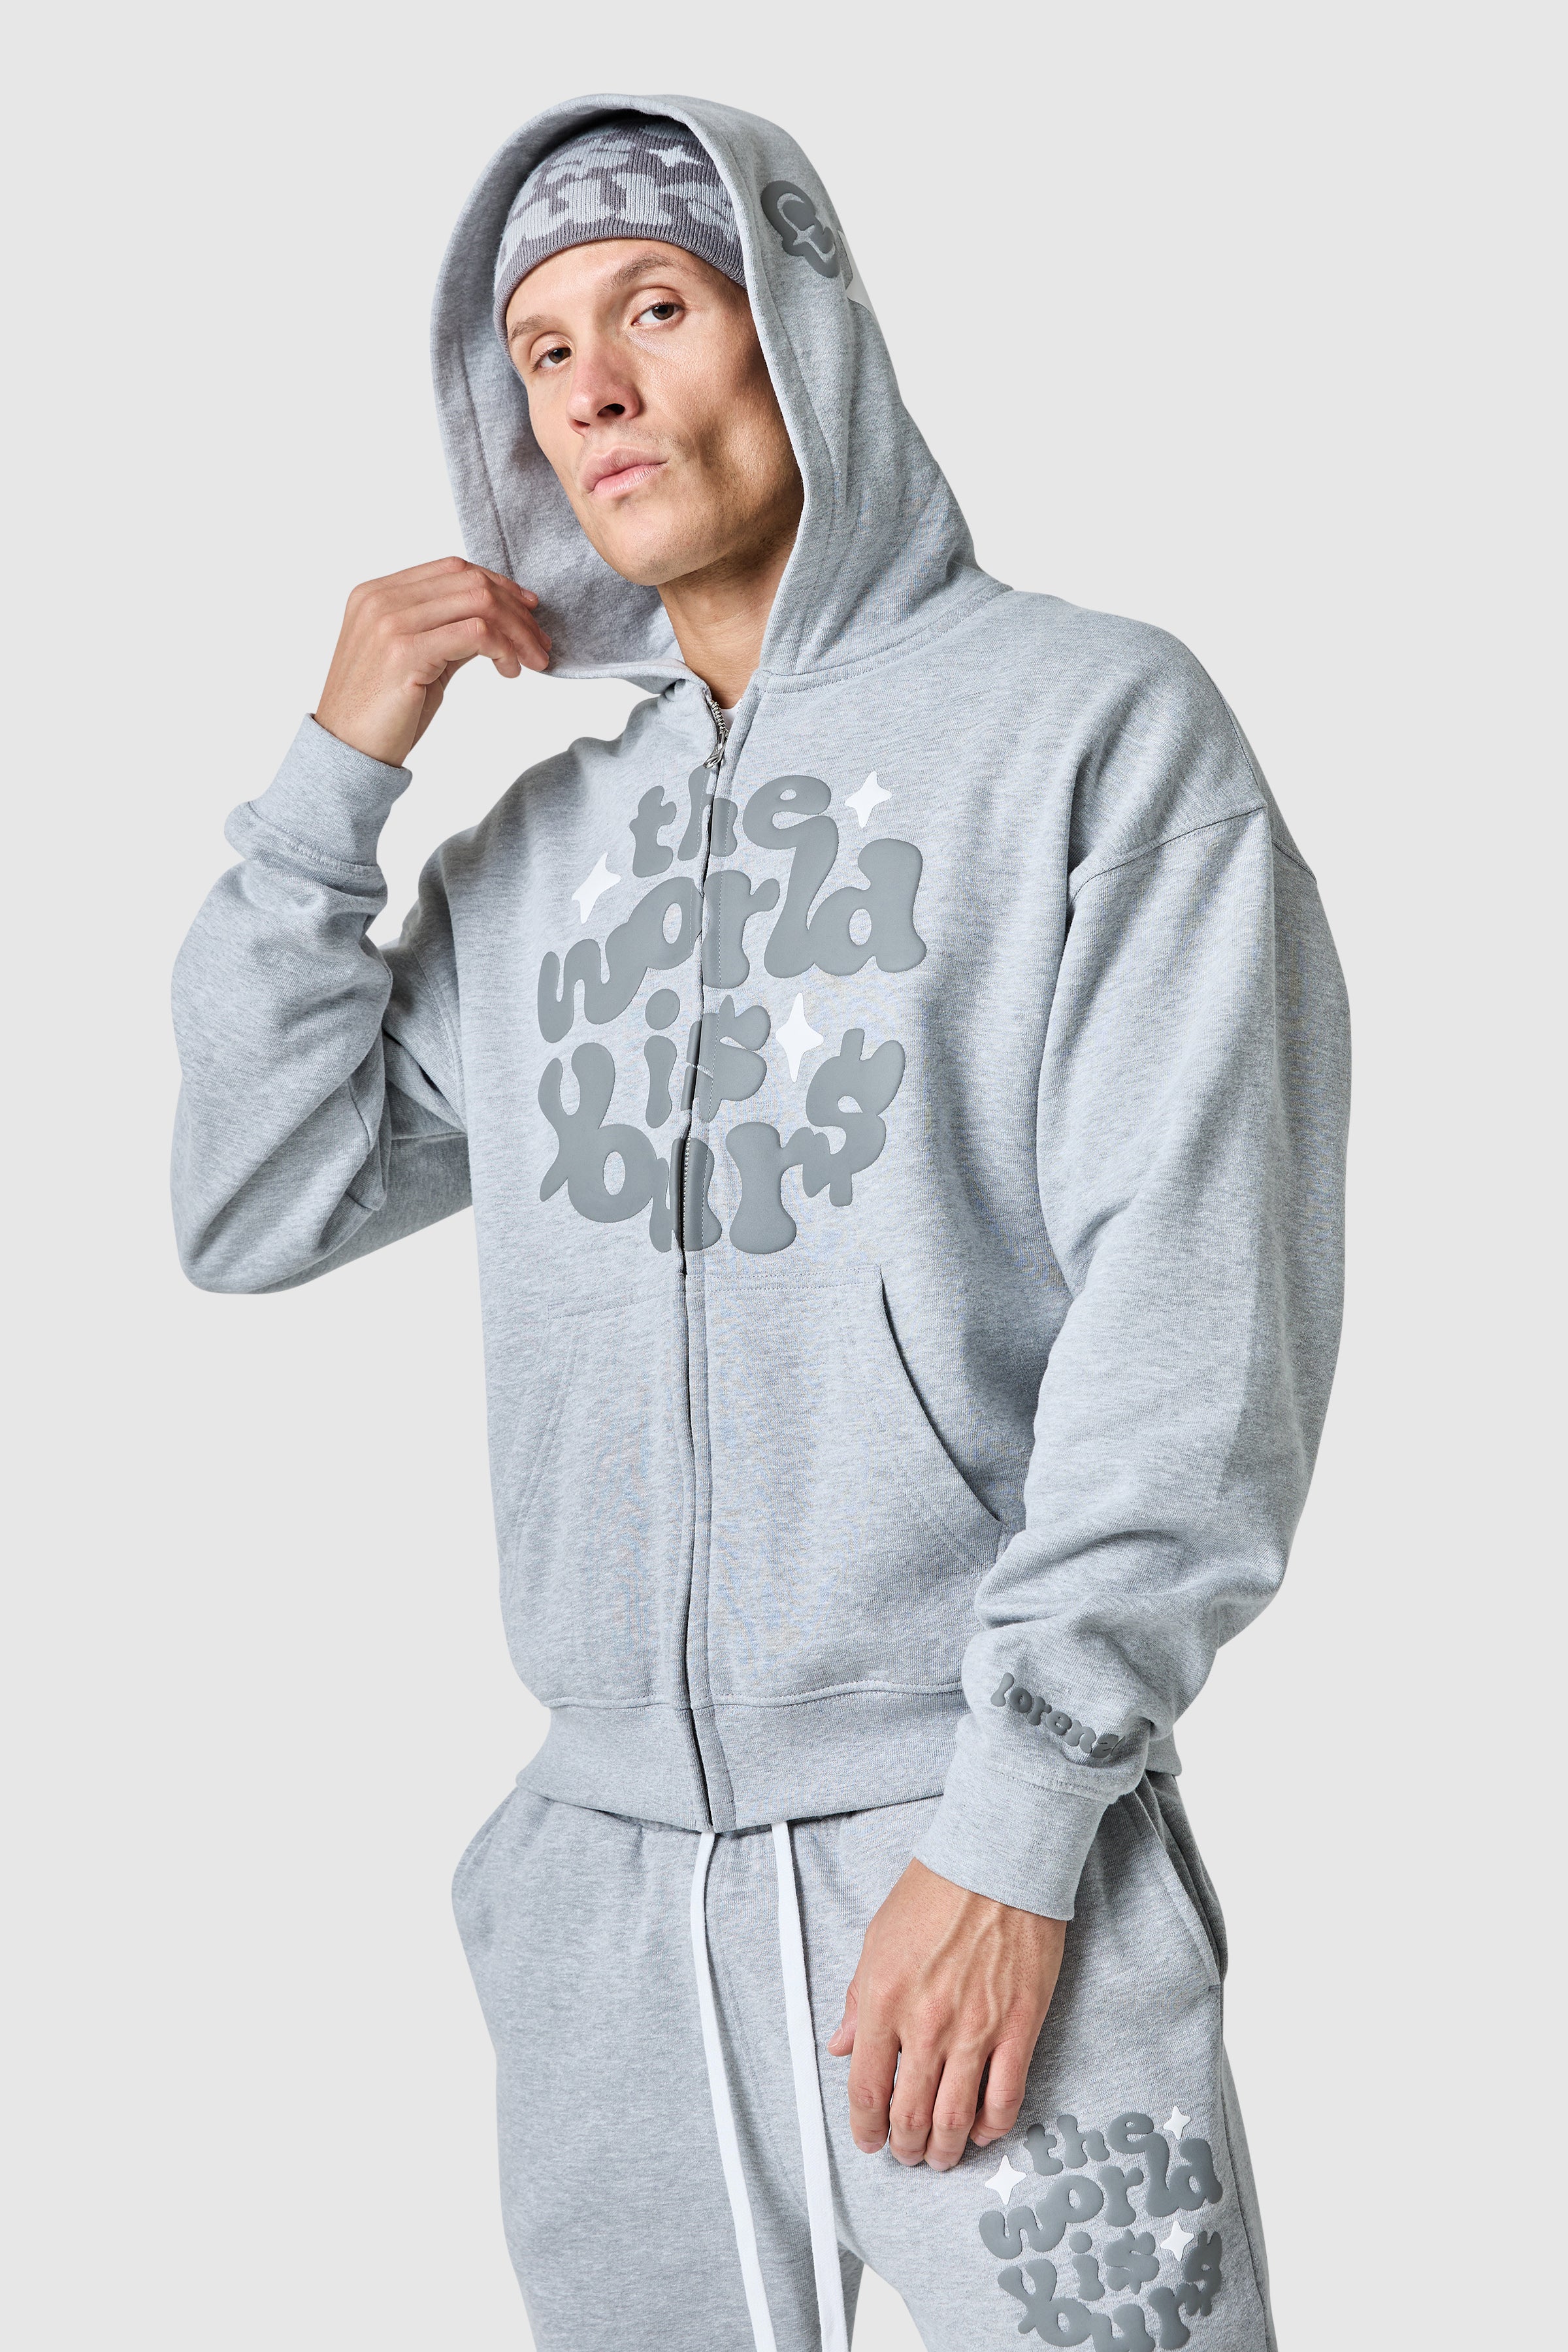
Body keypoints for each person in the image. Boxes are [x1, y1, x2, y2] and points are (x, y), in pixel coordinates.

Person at [172, 97, 1349, 2352]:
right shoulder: (536, 865)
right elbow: (251, 1195)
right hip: (611, 1914)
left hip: (983, 1856)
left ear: (798, 329)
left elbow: (1198, 1319)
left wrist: (1015, 1831)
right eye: (541, 351)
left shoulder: (1095, 735)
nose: (595, 388)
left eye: (656, 307)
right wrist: (337, 776)